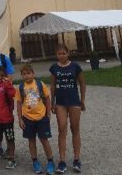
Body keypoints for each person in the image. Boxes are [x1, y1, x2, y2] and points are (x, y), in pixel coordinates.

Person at [49, 44, 86, 174]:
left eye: (64, 53)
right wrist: (51, 102)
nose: (61, 56)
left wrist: (82, 100)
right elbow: (52, 85)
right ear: (56, 55)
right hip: (60, 103)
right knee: (62, 129)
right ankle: (62, 161)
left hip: (74, 101)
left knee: (75, 129)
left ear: (68, 53)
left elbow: (82, 83)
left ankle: (77, 159)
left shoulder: (75, 66)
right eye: (59, 54)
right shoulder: (54, 68)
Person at [16, 64, 55, 175]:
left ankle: (50, 161)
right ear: (21, 75)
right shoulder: (20, 87)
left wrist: (48, 113)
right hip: (28, 119)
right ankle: (35, 161)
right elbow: (18, 103)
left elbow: (47, 98)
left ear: (33, 73)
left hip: (41, 117)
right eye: (24, 74)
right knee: (31, 140)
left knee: (44, 140)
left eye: (29, 73)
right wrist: (20, 119)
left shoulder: (40, 84)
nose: (27, 75)